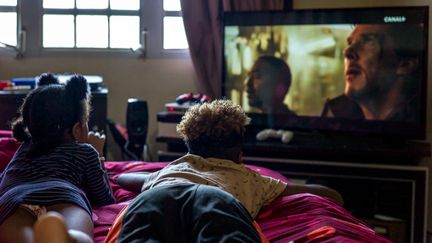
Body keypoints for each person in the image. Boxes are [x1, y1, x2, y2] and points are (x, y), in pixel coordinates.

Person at [116, 99, 342, 242]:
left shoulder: (174, 167)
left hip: (155, 199)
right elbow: (319, 191)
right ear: (239, 156)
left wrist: (121, 176)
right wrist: (335, 196)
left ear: (190, 148)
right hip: (217, 200)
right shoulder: (252, 179)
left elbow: (125, 178)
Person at [0, 73, 115, 243]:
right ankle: (66, 237)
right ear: (77, 129)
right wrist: (98, 154)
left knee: (19, 235)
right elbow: (104, 198)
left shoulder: (23, 149)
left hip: (15, 200)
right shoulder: (85, 151)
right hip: (63, 196)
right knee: (78, 232)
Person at [321, 24, 423, 121]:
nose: (347, 52)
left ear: (405, 65)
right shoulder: (335, 116)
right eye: (350, 43)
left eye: (369, 41)